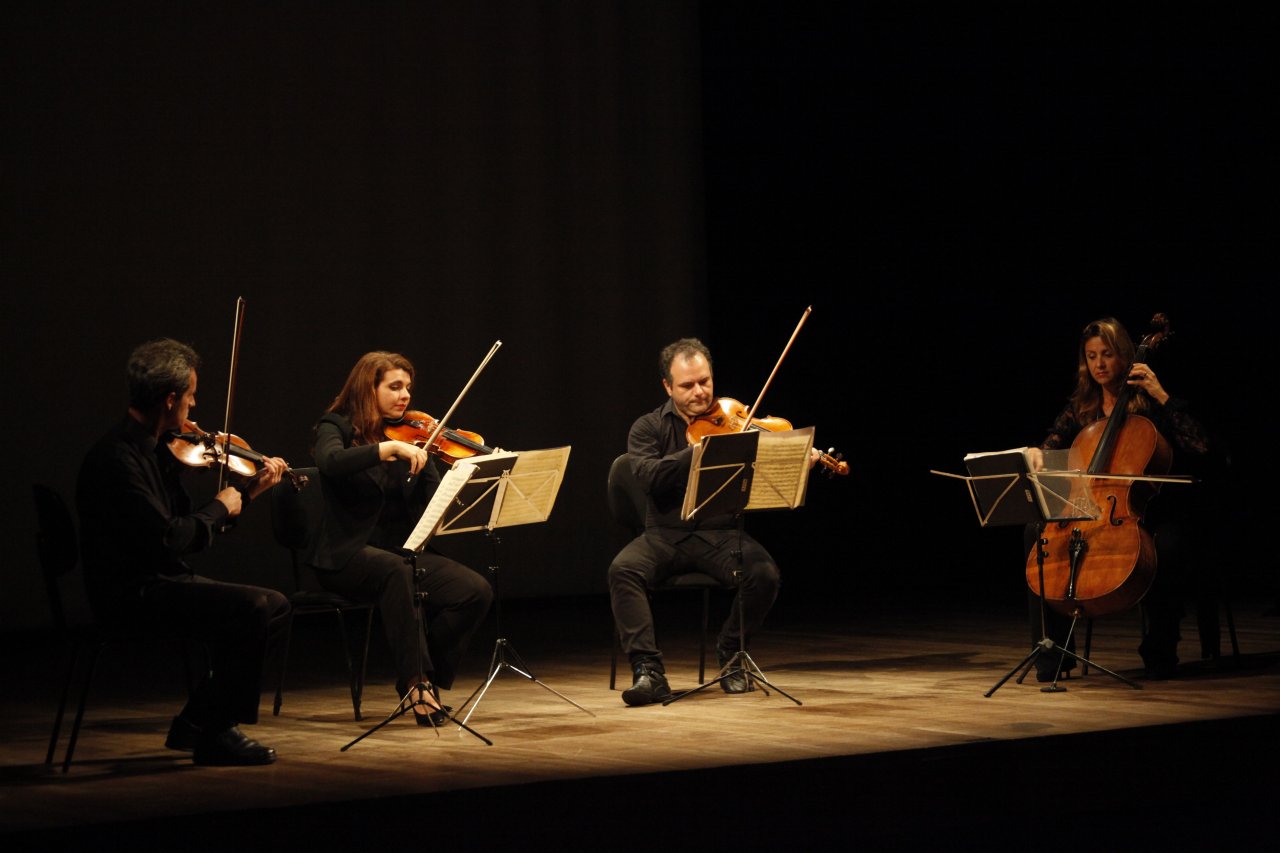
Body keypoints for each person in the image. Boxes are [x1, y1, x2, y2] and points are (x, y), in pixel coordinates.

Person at [76, 338, 291, 766]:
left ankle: (202, 723)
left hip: (159, 580)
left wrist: (246, 494)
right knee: (257, 608)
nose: (195, 406)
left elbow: (180, 525)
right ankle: (211, 729)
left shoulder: (153, 450)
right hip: (133, 594)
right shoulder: (118, 459)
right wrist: (222, 505)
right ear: (170, 399)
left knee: (272, 606)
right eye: (191, 396)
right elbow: (172, 538)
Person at [608, 337, 812, 707]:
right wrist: (698, 451)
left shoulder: (734, 421)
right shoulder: (647, 428)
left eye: (705, 381)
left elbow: (772, 468)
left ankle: (732, 653)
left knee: (764, 574)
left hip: (720, 533)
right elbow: (648, 477)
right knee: (623, 570)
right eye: (687, 385)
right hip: (663, 535)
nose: (700, 392)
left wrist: (795, 457)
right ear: (668, 387)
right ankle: (648, 672)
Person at [305, 351, 493, 725]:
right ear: (368, 388)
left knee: (474, 590)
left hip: (400, 552)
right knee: (396, 572)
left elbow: (436, 501)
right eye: (394, 386)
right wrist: (387, 449)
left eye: (407, 387)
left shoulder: (417, 435)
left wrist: (466, 473)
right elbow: (330, 462)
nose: (405, 395)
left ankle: (428, 681)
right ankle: (417, 684)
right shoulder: (336, 425)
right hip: (346, 556)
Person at [1024, 317, 1210, 681]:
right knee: (1036, 533)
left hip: (1148, 510)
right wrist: (1036, 452)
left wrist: (1162, 395)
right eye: (1092, 356)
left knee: (1169, 545)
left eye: (1107, 354)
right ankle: (1052, 652)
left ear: (1125, 355)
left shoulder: (1150, 404)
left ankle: (1160, 645)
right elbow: (1051, 445)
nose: (1099, 364)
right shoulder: (1083, 406)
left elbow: (1202, 447)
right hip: (1092, 510)